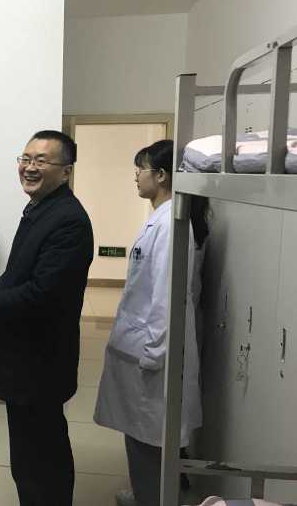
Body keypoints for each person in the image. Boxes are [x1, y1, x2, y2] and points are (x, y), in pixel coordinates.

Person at [0, 130, 94, 506]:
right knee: (30, 453)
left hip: (40, 360)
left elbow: (44, 293)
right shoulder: (41, 208)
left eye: (41, 160)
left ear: (66, 171)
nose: (29, 167)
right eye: (25, 159)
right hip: (27, 357)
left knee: (41, 456)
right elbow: (22, 271)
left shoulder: (68, 220)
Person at [93, 140, 208, 506]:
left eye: (140, 169)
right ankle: (146, 494)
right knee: (142, 434)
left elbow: (166, 298)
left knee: (149, 436)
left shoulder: (171, 226)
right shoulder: (161, 218)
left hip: (154, 356)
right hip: (146, 348)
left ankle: (150, 498)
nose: (136, 176)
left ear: (160, 175)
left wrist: (154, 355)